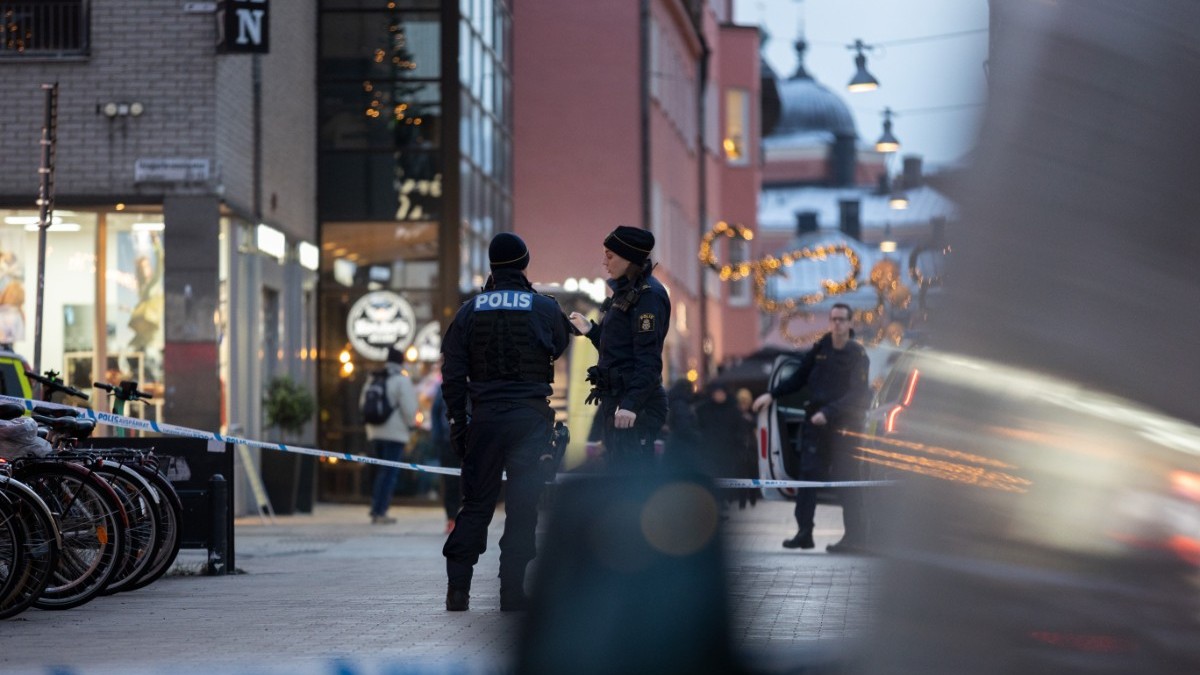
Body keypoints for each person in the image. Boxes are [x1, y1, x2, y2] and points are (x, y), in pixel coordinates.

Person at [440, 232, 572, 612]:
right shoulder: (544, 308)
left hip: (484, 419)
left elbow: (452, 374)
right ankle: (511, 593)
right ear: (524, 264)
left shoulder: (469, 310)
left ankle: (457, 590)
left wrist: (458, 424)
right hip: (529, 419)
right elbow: (558, 345)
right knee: (522, 506)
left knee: (476, 504)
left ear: (492, 266)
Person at [752, 303, 869, 553]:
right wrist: (772, 395)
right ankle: (804, 532)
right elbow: (798, 377)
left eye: (841, 320)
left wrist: (829, 412)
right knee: (807, 478)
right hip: (815, 424)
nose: (836, 324)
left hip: (844, 427)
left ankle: (854, 538)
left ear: (849, 323)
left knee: (846, 481)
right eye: (833, 319)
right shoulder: (820, 350)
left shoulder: (857, 355)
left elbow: (858, 394)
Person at [568, 226, 670, 467]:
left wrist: (630, 405)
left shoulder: (648, 296)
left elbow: (648, 358)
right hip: (617, 399)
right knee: (618, 478)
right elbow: (619, 347)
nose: (604, 262)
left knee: (630, 482)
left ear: (629, 259)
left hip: (635, 406)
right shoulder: (625, 293)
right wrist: (591, 330)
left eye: (610, 255)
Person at [361, 345, 419, 525]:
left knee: (380, 471)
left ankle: (376, 508)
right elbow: (409, 409)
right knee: (389, 473)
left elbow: (362, 404)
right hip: (395, 434)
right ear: (401, 361)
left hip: (374, 432)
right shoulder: (401, 380)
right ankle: (381, 511)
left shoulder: (374, 378)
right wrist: (410, 426)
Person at [429, 381, 460, 534]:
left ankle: (461, 519)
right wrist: (438, 438)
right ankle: (452, 519)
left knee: (465, 482)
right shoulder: (443, 387)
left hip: (469, 441)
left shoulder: (477, 382)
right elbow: (435, 413)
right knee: (450, 481)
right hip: (449, 441)